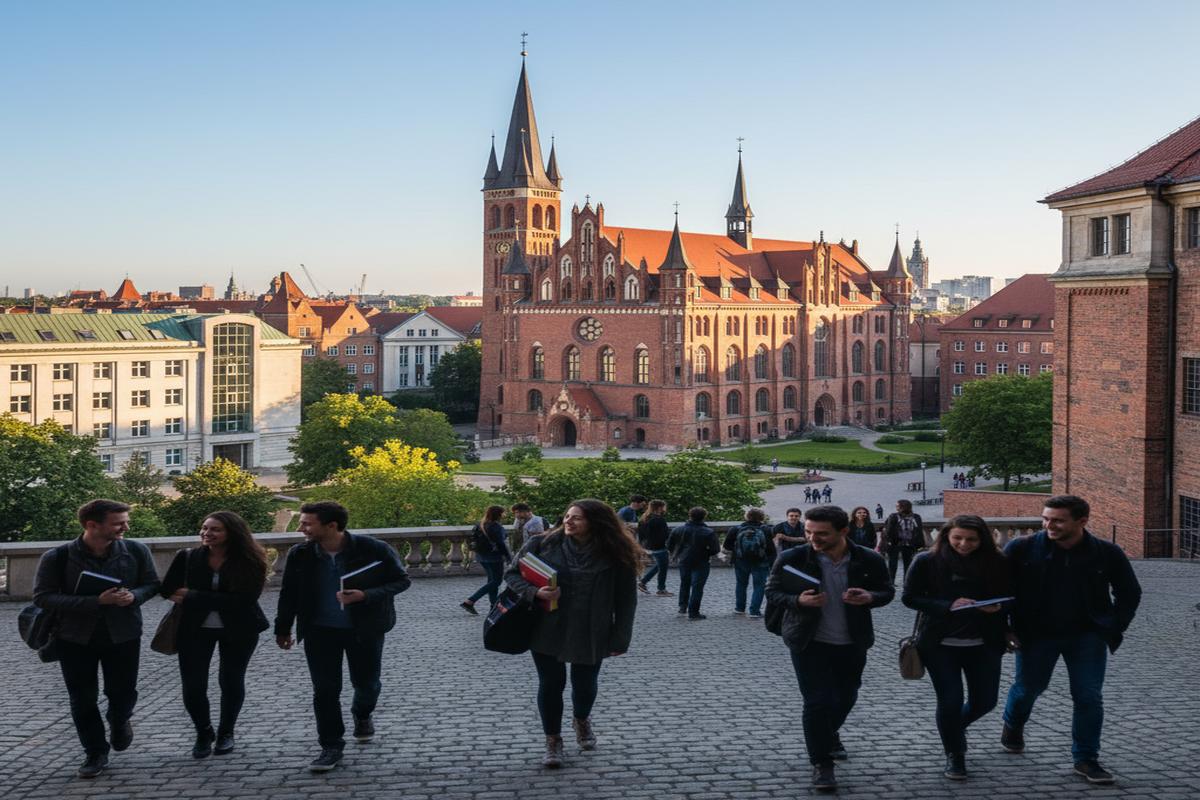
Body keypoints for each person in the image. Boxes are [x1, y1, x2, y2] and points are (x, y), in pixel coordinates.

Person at [1000, 495, 1142, 785]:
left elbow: (1130, 592)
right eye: (1045, 518)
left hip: (1087, 635)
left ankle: (1086, 758)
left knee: (1088, 696)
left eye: (1057, 520)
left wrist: (1113, 626)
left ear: (1082, 521)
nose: (1048, 525)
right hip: (1036, 634)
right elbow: (999, 590)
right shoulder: (1021, 548)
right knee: (1028, 688)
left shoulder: (1106, 553)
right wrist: (1005, 628)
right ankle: (1013, 723)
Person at [275, 501, 412, 773]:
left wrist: (366, 595)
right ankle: (331, 746)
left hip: (365, 629)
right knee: (325, 690)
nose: (301, 527)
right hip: (319, 631)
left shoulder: (373, 548)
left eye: (307, 523)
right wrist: (282, 628)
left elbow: (402, 580)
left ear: (332, 526)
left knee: (367, 684)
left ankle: (362, 714)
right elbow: (288, 593)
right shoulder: (299, 554)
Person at [503, 499, 640, 769]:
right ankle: (553, 742)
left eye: (576, 518)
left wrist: (621, 637)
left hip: (593, 627)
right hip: (547, 626)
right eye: (567, 516)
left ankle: (582, 720)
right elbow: (512, 574)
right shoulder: (542, 544)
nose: (568, 521)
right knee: (551, 684)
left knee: (585, 684)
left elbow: (626, 600)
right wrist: (534, 592)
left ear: (595, 522)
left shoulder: (615, 552)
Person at [765, 505, 894, 791]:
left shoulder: (868, 558)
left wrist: (870, 596)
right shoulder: (792, 557)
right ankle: (822, 764)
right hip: (808, 640)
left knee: (846, 696)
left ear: (844, 531)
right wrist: (799, 601)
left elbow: (887, 591)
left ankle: (828, 733)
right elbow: (772, 592)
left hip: (852, 641)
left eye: (822, 534)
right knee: (816, 701)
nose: (813, 538)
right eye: (809, 532)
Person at [32, 499, 160, 779]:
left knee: (123, 692)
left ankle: (119, 719)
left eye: (125, 521)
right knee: (82, 698)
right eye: (118, 523)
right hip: (74, 637)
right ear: (92, 525)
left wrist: (134, 596)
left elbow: (152, 584)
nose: (126, 526)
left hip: (124, 634)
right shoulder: (58, 557)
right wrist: (96, 601)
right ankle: (95, 752)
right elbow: (43, 597)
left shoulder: (136, 550)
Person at [902, 515, 1012, 780]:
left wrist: (998, 607)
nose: (964, 544)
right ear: (946, 537)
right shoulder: (926, 561)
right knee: (949, 701)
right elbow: (909, 597)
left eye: (971, 539)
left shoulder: (998, 562)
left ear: (983, 539)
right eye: (958, 538)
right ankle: (955, 753)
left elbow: (1013, 596)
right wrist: (947, 605)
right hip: (940, 644)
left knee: (985, 701)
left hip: (984, 643)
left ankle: (953, 728)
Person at [160, 511, 270, 759]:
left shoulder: (251, 559)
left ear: (232, 533)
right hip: (193, 629)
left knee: (231, 681)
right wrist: (221, 600)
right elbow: (167, 590)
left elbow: (245, 601)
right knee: (193, 685)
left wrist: (193, 596)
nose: (207, 533)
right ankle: (203, 731)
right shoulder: (187, 557)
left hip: (240, 628)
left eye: (215, 529)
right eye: (204, 528)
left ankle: (226, 732)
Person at [666, 506, 721, 619]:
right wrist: (706, 552)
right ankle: (694, 612)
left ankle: (682, 606)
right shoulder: (708, 532)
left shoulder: (678, 529)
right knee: (697, 587)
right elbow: (715, 549)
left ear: (690, 515)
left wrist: (678, 553)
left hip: (684, 560)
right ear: (704, 517)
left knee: (684, 582)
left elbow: (669, 545)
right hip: (702, 560)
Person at [723, 508, 777, 617]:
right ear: (762, 517)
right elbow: (771, 549)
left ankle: (739, 608)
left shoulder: (736, 529)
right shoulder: (767, 529)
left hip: (741, 561)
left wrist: (739, 549)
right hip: (761, 561)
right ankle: (754, 611)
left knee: (741, 584)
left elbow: (727, 546)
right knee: (759, 586)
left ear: (747, 516)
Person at [462, 505, 513, 615]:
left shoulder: (480, 524)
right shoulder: (495, 526)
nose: (504, 515)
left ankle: (493, 606)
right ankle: (470, 601)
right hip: (494, 557)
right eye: (503, 513)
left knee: (492, 581)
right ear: (498, 514)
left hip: (481, 556)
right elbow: (500, 544)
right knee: (496, 581)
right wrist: (508, 557)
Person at [881, 500, 925, 583]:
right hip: (896, 543)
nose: (896, 507)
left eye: (897, 506)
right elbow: (889, 531)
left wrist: (919, 543)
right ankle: (895, 581)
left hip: (908, 543)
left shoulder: (914, 517)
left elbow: (919, 531)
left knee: (904, 564)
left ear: (903, 507)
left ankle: (902, 582)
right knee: (896, 563)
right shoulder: (915, 517)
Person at [635, 500, 673, 596]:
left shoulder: (644, 518)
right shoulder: (659, 519)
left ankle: (643, 582)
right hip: (659, 546)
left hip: (648, 546)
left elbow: (640, 534)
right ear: (660, 507)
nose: (665, 509)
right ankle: (661, 589)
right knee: (663, 567)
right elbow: (665, 535)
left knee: (660, 565)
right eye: (664, 507)